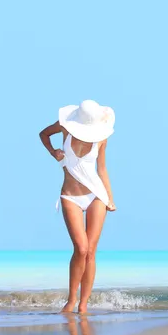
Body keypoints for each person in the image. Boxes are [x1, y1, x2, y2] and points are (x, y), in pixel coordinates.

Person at [39, 99, 117, 313]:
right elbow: (43, 134)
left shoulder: (101, 138)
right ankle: (71, 300)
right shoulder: (65, 127)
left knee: (91, 251)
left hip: (96, 195)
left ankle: (83, 306)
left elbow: (102, 169)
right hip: (70, 196)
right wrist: (53, 152)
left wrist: (110, 198)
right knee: (80, 249)